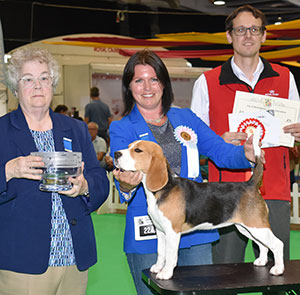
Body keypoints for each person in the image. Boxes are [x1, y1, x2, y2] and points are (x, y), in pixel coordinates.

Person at [109, 49, 263, 295]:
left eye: (154, 79)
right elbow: (123, 179)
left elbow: (220, 151)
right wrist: (126, 184)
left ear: (164, 83)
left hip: (195, 231)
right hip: (148, 233)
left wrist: (245, 154)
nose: (147, 87)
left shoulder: (186, 117)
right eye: (139, 80)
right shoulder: (121, 128)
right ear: (129, 87)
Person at [191, 4, 300, 289]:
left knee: (277, 276)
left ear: (264, 36)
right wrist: (218, 140)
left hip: (273, 186)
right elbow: (193, 140)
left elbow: (296, 132)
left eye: (254, 29)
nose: (247, 36)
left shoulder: (286, 78)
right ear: (229, 36)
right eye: (240, 30)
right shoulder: (207, 82)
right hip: (222, 191)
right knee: (224, 277)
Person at [0, 47, 109, 295]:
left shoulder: (76, 129)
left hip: (74, 257)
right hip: (22, 261)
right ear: (15, 88)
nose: (37, 85)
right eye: (28, 79)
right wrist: (8, 170)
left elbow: (99, 178)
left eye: (44, 78)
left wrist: (85, 186)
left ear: (53, 84)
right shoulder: (2, 131)